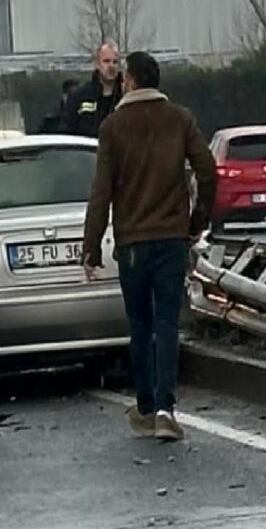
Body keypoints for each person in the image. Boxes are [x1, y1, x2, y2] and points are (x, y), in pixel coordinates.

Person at [81, 50, 217, 443]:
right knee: (166, 323)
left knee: (139, 325)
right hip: (172, 239)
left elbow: (101, 192)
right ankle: (164, 408)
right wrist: (197, 221)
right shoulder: (180, 119)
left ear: (130, 81)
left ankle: (143, 404)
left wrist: (90, 246)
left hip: (132, 243)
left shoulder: (112, 127)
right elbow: (207, 171)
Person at [56, 44, 125, 138]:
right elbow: (66, 133)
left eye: (115, 62)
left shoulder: (125, 97)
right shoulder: (79, 96)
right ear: (97, 64)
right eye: (106, 61)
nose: (111, 66)